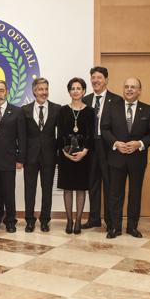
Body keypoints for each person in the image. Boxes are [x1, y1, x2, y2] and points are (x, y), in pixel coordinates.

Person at [101, 77, 150, 238]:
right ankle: (115, 227)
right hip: (116, 158)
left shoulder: (148, 110)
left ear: (139, 90)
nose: (129, 89)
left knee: (135, 193)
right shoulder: (112, 107)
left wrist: (139, 143)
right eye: (126, 86)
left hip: (137, 160)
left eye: (133, 87)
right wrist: (116, 143)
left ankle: (132, 227)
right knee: (115, 194)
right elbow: (104, 129)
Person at [0, 80, 26, 233]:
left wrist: (20, 158)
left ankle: (10, 221)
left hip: (9, 160)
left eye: (1, 90)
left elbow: (22, 137)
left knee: (9, 192)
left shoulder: (17, 111)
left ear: (6, 91)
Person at [82, 66, 121, 230]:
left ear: (106, 80)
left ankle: (110, 220)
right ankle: (94, 218)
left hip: (108, 147)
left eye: (99, 77)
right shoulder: (85, 100)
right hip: (91, 148)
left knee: (110, 185)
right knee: (93, 184)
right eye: (93, 77)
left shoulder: (117, 100)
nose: (96, 80)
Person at [22, 77, 60, 232]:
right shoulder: (24, 110)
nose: (43, 92)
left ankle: (45, 220)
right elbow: (22, 136)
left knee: (47, 189)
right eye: (40, 89)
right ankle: (29, 220)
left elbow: (61, 134)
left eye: (46, 89)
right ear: (34, 91)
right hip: (30, 157)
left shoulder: (58, 109)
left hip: (49, 156)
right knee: (29, 189)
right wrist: (21, 156)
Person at [57, 78, 94, 235]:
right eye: (73, 88)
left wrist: (84, 151)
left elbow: (91, 135)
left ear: (84, 91)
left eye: (79, 88)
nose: (76, 91)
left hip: (84, 156)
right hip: (66, 156)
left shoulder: (90, 111)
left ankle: (78, 220)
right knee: (67, 188)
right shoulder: (63, 110)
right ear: (69, 91)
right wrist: (65, 153)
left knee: (80, 189)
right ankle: (69, 220)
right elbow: (60, 135)